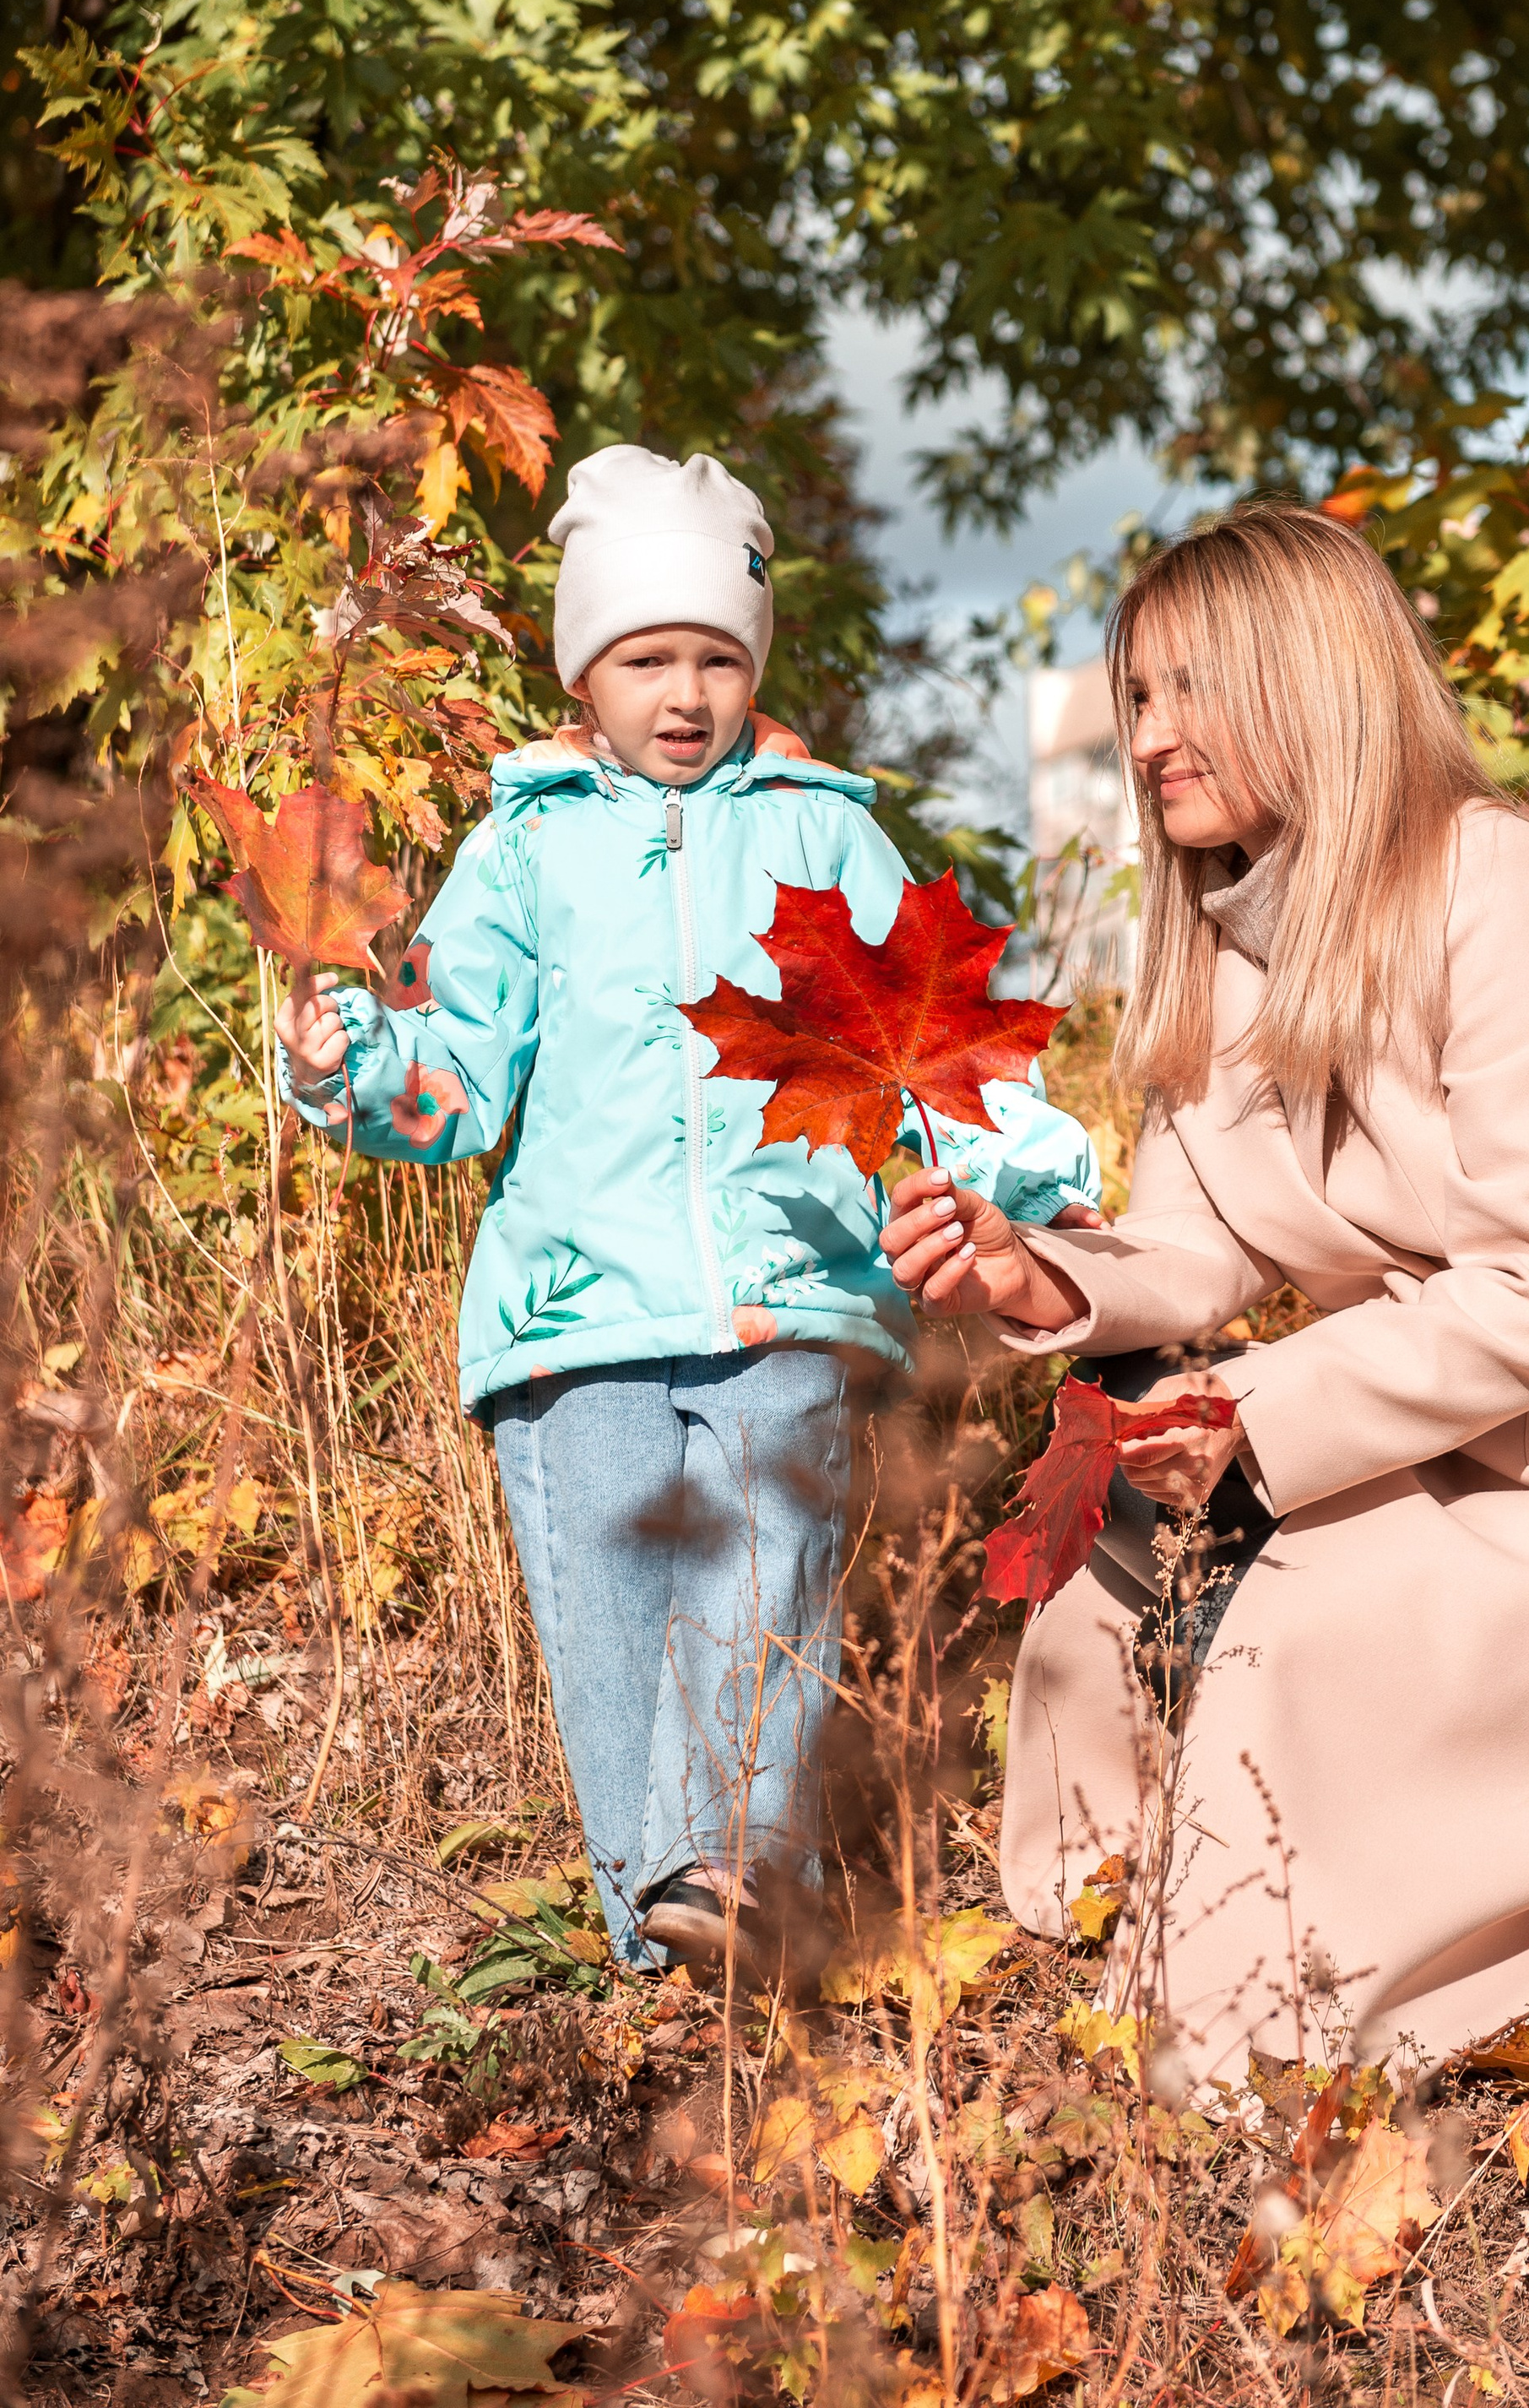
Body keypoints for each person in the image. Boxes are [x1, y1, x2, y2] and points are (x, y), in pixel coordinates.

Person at [883, 502, 1529, 2074]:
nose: (1147, 739)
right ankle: (1112, 1939)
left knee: (1290, 1629)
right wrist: (1039, 1273)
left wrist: (1237, 1415)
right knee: (1102, 1557)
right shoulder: (1213, 947)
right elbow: (1195, 1245)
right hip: (1434, 1453)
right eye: (1134, 699)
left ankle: (1261, 2026)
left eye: (1187, 690)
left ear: (1312, 679)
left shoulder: (1499, 890)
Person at [276, 443, 1099, 1967]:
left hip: (789, 1286)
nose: (684, 693)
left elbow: (913, 1048)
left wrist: (1036, 1166)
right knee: (605, 1582)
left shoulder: (818, 832)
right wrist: (359, 1065)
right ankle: (653, 1925)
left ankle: (724, 1862)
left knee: (762, 1550)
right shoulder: (527, 847)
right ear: (584, 669)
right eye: (645, 656)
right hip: (570, 1306)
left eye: (718, 657)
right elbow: (460, 1074)